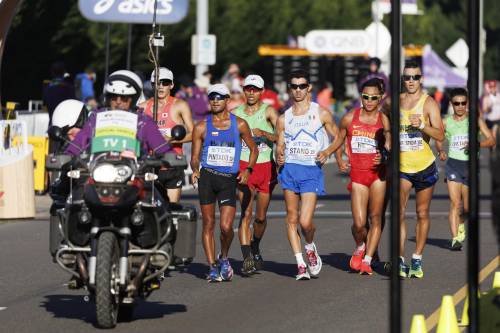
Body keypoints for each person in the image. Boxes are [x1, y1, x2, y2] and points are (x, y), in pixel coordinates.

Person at [276, 69, 341, 280]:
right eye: (294, 86)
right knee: (291, 218)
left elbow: (339, 136)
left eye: (301, 86)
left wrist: (328, 152)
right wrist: (279, 155)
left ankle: (310, 246)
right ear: (289, 88)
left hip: (311, 170)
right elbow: (280, 145)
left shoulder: (320, 113)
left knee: (305, 222)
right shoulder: (283, 118)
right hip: (290, 170)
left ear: (309, 88)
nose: (297, 90)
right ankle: (300, 263)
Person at [321, 78, 391, 275]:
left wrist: (384, 156)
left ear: (380, 98)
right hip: (359, 176)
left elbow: (390, 144)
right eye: (365, 97)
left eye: (373, 98)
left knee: (376, 217)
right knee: (359, 224)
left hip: (378, 175)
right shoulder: (350, 117)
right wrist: (330, 154)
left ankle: (368, 260)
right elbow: (339, 139)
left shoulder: (383, 119)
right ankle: (361, 247)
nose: (368, 101)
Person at [190, 83, 258, 282]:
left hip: (229, 179)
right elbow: (194, 157)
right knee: (209, 223)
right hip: (207, 177)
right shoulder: (201, 126)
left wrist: (248, 170)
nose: (215, 100)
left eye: (219, 97)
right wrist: (195, 169)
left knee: (226, 227)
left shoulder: (240, 124)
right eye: (212, 97)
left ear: (228, 100)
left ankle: (224, 257)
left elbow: (253, 149)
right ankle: (212, 266)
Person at [398, 61, 445, 279]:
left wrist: (422, 126)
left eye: (414, 77)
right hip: (402, 168)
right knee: (399, 212)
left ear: (421, 79)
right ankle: (400, 260)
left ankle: (416, 258)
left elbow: (440, 135)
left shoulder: (429, 104)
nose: (410, 81)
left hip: (425, 166)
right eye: (407, 77)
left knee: (421, 213)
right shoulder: (396, 101)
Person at [436, 88, 495, 250]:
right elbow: (439, 138)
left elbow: (491, 140)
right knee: (455, 203)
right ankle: (455, 239)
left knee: (468, 208)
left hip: (470, 166)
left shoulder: (475, 120)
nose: (460, 106)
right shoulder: (446, 121)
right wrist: (441, 150)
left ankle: (461, 222)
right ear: (451, 104)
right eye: (457, 103)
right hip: (453, 164)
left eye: (463, 103)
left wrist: (477, 144)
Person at [232, 74, 279, 274]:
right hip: (244, 166)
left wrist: (265, 134)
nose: (251, 93)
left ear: (261, 91)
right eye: (248, 89)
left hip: (265, 166)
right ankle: (246, 258)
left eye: (255, 89)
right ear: (244, 90)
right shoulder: (235, 112)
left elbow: (282, 136)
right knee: (246, 214)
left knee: (260, 217)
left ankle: (255, 245)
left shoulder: (268, 111)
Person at [66, 70, 172, 157]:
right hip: (99, 171)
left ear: (133, 99)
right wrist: (67, 156)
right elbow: (78, 143)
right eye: (113, 96)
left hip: (136, 175)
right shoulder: (96, 118)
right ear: (107, 98)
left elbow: (161, 147)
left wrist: (171, 157)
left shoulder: (144, 122)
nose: (118, 101)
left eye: (124, 98)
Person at [139, 67, 194, 203]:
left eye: (165, 82)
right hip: (150, 166)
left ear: (172, 85)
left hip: (172, 165)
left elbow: (194, 134)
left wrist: (171, 140)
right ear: (152, 85)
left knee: (171, 210)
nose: (161, 86)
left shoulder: (180, 105)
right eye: (157, 83)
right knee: (148, 209)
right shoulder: (142, 107)